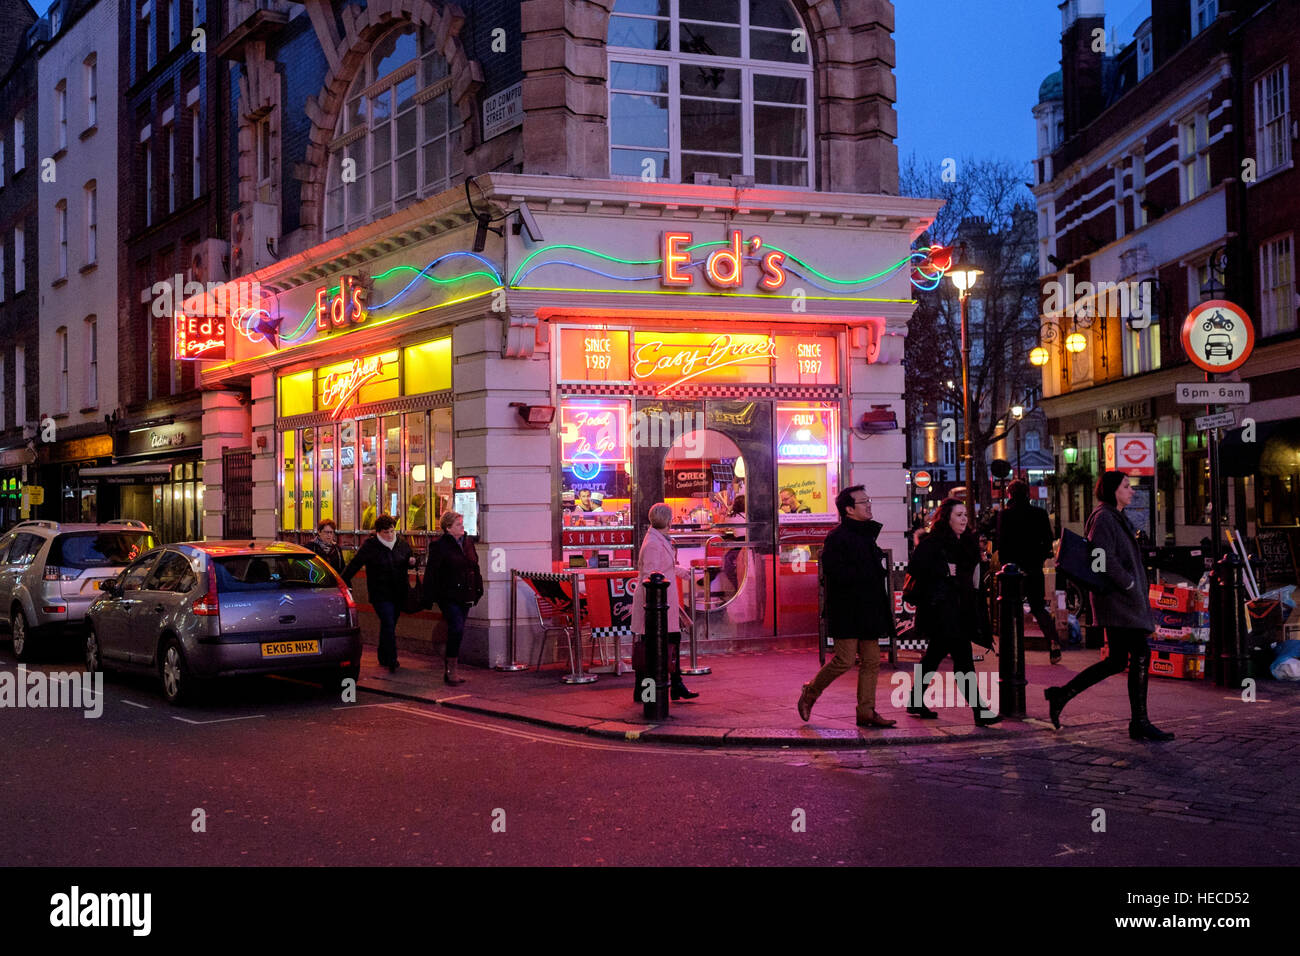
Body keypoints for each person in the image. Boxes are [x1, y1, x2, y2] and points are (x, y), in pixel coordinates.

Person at [1044, 472, 1173, 741]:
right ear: (1114, 490)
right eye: (1126, 486)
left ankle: (1061, 695)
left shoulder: (1113, 516)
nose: (1132, 491)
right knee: (1139, 654)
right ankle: (1139, 721)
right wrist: (1126, 583)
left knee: (1116, 660)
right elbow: (1100, 557)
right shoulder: (1104, 518)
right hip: (1117, 601)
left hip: (1121, 600)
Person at [796, 486, 897, 729]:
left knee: (872, 660)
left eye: (868, 500)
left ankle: (866, 711)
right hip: (848, 609)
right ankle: (810, 692)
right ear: (849, 510)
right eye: (863, 502)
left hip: (870, 608)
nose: (869, 505)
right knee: (844, 659)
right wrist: (863, 576)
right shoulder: (837, 537)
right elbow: (834, 573)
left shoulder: (867, 534)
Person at [905, 497, 1002, 726]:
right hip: (941, 610)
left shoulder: (966, 543)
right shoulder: (932, 543)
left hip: (960, 610)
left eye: (965, 515)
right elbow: (917, 569)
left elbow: (972, 576)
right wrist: (944, 570)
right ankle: (979, 711)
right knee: (963, 661)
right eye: (958, 515)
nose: (964, 519)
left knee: (933, 657)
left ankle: (915, 700)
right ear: (946, 518)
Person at [629, 503, 697, 701]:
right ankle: (649, 692)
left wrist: (680, 572)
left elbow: (663, 568)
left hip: (663, 604)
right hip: (656, 606)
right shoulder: (653, 543)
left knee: (669, 643)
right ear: (668, 520)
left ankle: (673, 685)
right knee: (655, 647)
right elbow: (651, 576)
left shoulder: (659, 539)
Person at [997, 480, 1063, 664]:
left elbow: (1002, 543)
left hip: (1013, 570)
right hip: (1034, 567)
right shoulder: (1040, 514)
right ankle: (1053, 641)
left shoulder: (1006, 515)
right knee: (1038, 608)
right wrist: (1039, 558)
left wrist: (1005, 563)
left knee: (1012, 609)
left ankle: (1011, 648)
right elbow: (1048, 540)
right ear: (1028, 494)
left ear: (1010, 494)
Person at [342, 514, 414, 672]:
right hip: (380, 594)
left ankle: (383, 655)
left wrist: (412, 562)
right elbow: (355, 564)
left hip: (398, 592)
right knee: (388, 622)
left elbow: (411, 558)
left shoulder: (401, 544)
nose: (389, 535)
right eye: (386, 532)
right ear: (378, 532)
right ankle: (392, 660)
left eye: (391, 531)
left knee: (389, 625)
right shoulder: (370, 546)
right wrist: (342, 581)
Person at [421, 510, 483, 686]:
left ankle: (450, 661)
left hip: (466, 593)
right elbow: (431, 573)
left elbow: (475, 566)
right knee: (456, 626)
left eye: (462, 523)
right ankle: (451, 669)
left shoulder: (468, 542)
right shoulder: (439, 546)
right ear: (448, 528)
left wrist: (479, 589)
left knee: (459, 628)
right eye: (458, 524)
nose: (462, 527)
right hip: (448, 595)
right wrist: (428, 596)